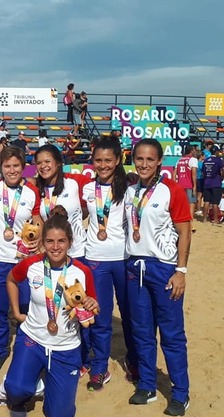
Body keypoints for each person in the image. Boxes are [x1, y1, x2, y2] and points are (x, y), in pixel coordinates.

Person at [3, 209, 99, 417]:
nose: (55, 247)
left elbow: (91, 303)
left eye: (61, 241)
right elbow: (10, 280)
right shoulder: (31, 264)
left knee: (60, 415)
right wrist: (17, 313)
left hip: (65, 347)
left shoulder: (82, 271)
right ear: (42, 242)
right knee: (16, 391)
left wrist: (92, 304)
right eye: (50, 241)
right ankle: (22, 381)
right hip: (33, 340)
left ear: (70, 242)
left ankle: (43, 379)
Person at [125, 138, 191, 417]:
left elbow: (185, 231)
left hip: (164, 269)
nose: (144, 164)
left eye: (150, 159)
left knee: (172, 334)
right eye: (139, 159)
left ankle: (180, 393)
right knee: (142, 331)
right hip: (134, 268)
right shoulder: (130, 191)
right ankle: (148, 386)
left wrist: (181, 271)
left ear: (159, 161)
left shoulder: (171, 190)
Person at [81, 136, 137, 391]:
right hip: (96, 259)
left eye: (108, 160)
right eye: (98, 160)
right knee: (101, 317)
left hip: (124, 259)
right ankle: (100, 367)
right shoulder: (87, 189)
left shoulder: (130, 188)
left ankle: (134, 360)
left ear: (118, 160)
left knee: (130, 314)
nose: (103, 165)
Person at [0, 146, 42, 373]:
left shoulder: (31, 192)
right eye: (7, 166)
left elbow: (37, 218)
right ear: (1, 167)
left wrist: (38, 239)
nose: (12, 170)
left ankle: (25, 348)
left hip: (24, 260)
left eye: (16, 165)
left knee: (28, 305)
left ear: (23, 167)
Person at [32, 144, 90, 260]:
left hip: (77, 252)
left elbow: (103, 183)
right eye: (39, 163)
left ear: (58, 162)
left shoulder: (75, 182)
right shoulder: (36, 188)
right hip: (52, 253)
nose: (43, 166)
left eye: (47, 161)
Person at [173, 145, 198, 228]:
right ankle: (190, 224)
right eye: (194, 150)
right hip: (189, 185)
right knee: (191, 204)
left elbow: (174, 173)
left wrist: (174, 184)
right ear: (191, 151)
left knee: (182, 205)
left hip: (180, 185)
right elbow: (193, 174)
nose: (195, 151)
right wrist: (194, 186)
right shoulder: (193, 160)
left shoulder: (180, 160)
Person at [201, 145, 224, 224]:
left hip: (207, 182)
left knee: (206, 201)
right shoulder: (218, 160)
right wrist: (222, 177)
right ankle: (215, 219)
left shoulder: (206, 160)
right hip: (216, 182)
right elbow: (223, 169)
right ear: (216, 152)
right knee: (215, 203)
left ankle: (204, 219)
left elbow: (203, 172)